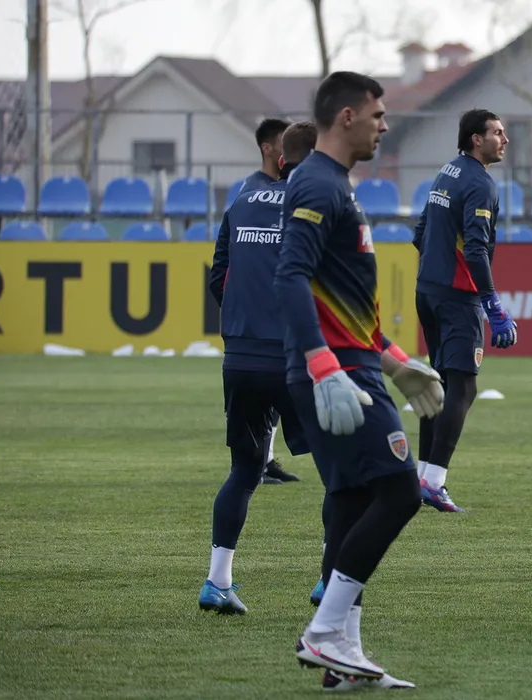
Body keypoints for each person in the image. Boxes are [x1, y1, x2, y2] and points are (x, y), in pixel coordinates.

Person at [274, 70, 444, 690]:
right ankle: (323, 633)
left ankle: (342, 657)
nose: (384, 126)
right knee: (400, 492)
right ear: (346, 116)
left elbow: (342, 298)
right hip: (338, 372)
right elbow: (290, 278)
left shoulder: (334, 184)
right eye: (377, 115)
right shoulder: (318, 183)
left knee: (350, 501)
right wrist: (323, 365)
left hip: (356, 365)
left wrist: (394, 361)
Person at [198, 121, 319, 616]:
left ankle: (217, 581)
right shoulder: (314, 202)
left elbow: (218, 276)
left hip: (241, 354)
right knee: (341, 470)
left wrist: (243, 319)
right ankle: (333, 578)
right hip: (293, 355)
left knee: (244, 471)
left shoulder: (242, 199)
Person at [411, 108, 518, 513]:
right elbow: (475, 248)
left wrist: (436, 267)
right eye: (497, 133)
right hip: (457, 297)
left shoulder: (447, 172)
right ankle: (434, 482)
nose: (504, 140)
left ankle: (421, 477)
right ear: (477, 139)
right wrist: (492, 304)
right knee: (464, 387)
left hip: (428, 289)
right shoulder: (479, 182)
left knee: (439, 383)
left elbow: (420, 233)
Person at [235, 116, 298, 484]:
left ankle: (267, 458)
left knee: (274, 393)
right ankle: (255, 462)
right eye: (282, 142)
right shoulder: (251, 190)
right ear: (267, 148)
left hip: (276, 314)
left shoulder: (280, 189)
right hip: (260, 314)